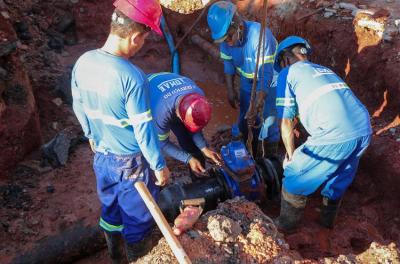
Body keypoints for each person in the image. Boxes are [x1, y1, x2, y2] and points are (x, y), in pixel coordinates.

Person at [71, 0, 170, 262]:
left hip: (102, 158)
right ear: (136, 37)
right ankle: (139, 257)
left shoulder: (83, 62)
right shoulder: (131, 77)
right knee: (138, 221)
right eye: (144, 40)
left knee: (111, 210)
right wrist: (158, 165)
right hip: (132, 164)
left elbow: (78, 106)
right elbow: (143, 129)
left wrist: (91, 136)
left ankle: (116, 258)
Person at [273, 36, 372, 231]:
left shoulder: (288, 73)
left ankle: (286, 226)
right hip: (363, 130)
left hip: (334, 135)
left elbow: (285, 121)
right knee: (340, 174)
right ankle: (327, 222)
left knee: (293, 177)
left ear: (285, 58)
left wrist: (291, 155)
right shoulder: (324, 70)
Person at [207, 1, 279, 157]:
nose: (228, 43)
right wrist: (231, 91)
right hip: (247, 81)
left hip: (269, 80)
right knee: (245, 117)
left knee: (268, 118)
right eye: (224, 40)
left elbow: (266, 75)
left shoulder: (260, 37)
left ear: (237, 24)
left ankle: (271, 155)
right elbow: (228, 66)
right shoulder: (225, 41)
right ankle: (246, 149)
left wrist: (258, 103)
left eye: (229, 38)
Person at [147, 72, 222, 175]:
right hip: (147, 88)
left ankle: (198, 170)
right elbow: (162, 143)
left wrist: (204, 148)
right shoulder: (161, 112)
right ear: (179, 116)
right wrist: (188, 159)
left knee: (187, 140)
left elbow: (195, 126)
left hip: (170, 86)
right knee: (149, 139)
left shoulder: (199, 96)